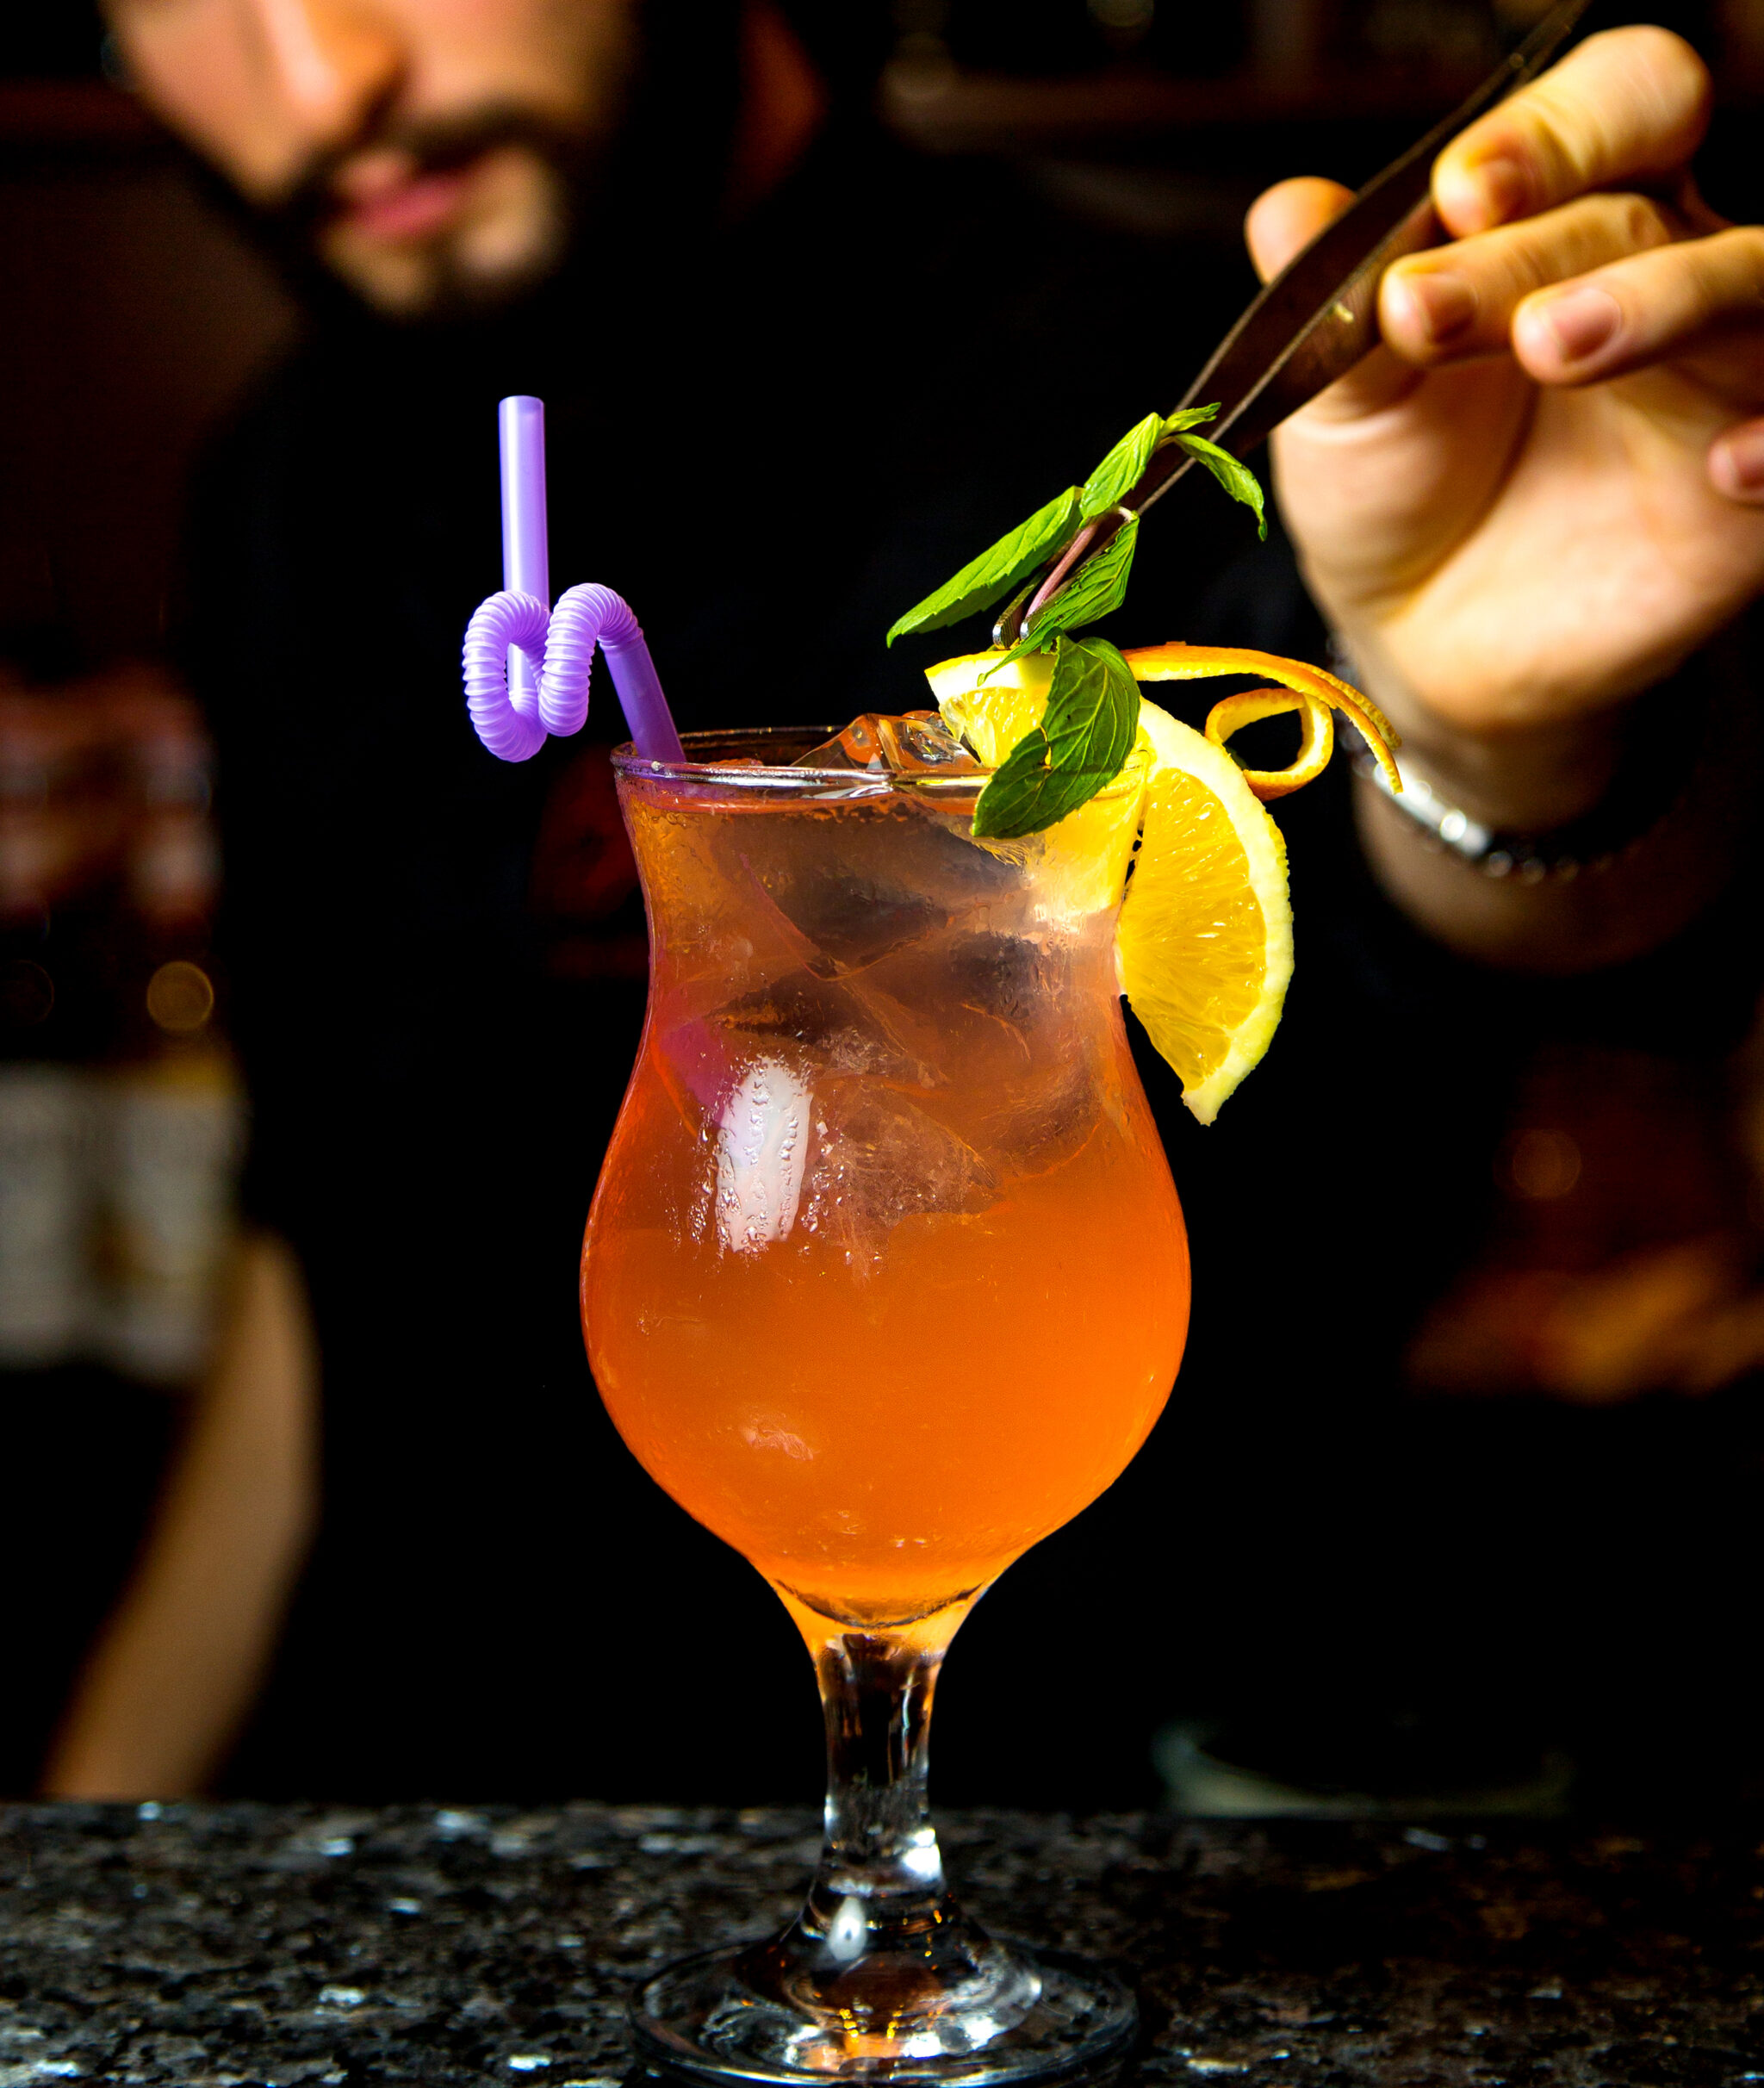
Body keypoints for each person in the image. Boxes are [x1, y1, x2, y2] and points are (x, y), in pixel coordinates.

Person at [45, 0, 1764, 1808]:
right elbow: (329, 1260)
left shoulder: (1195, 409)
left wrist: (1499, 743)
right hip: (430, 1830)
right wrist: (84, 1863)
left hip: (1104, 1825)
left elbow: (1530, 920)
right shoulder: (283, 480)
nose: (325, 80)